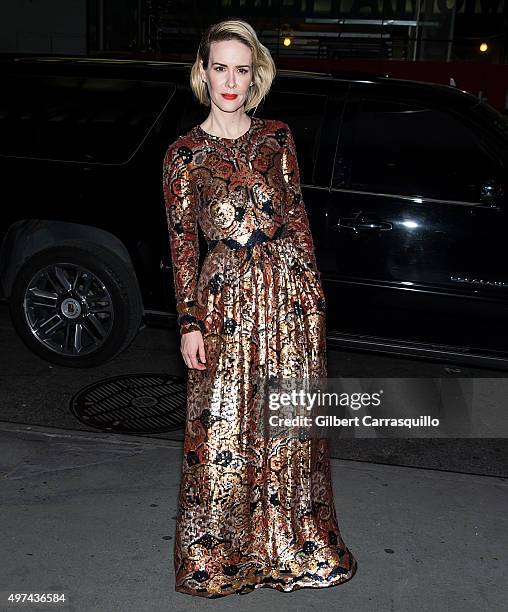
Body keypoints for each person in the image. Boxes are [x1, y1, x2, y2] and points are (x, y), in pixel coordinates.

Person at [162, 18, 358, 598]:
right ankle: (217, 558)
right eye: (219, 67)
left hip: (288, 297)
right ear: (202, 71)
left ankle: (294, 546)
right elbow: (181, 246)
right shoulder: (183, 155)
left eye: (241, 70)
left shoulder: (277, 137)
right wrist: (189, 321)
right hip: (222, 300)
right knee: (221, 428)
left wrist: (315, 298)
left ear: (255, 77)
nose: (230, 80)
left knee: (290, 427)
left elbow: (297, 220)